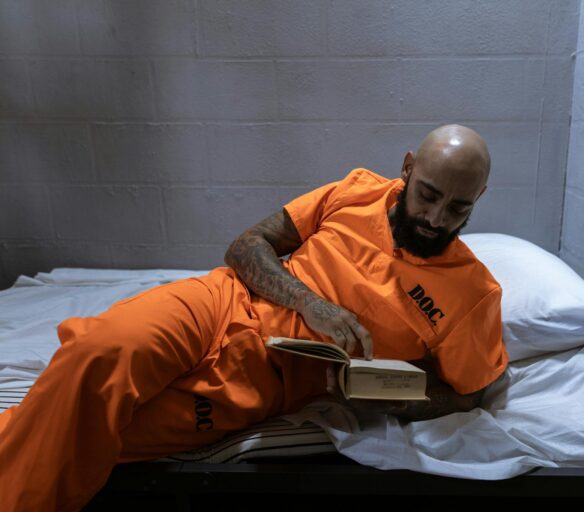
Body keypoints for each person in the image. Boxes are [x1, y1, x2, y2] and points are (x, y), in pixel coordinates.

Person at [0, 124, 508, 511]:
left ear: (478, 201)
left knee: (110, 427)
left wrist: (382, 395)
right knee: (100, 352)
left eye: (458, 208)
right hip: (218, 301)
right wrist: (309, 300)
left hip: (269, 374)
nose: (436, 219)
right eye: (429, 195)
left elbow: (466, 392)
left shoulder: (474, 293)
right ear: (407, 168)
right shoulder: (356, 191)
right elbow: (246, 246)